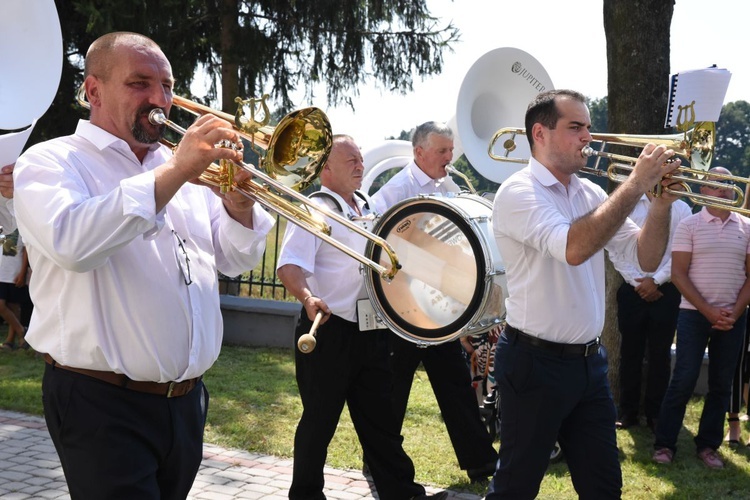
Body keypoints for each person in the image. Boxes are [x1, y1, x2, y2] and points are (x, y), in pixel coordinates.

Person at [13, 32, 274, 499]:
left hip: (186, 403)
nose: (160, 99)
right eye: (140, 83)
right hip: (101, 403)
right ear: (93, 90)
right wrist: (175, 174)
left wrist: (238, 204)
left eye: (168, 86)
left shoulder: (183, 168)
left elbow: (236, 257)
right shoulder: (52, 162)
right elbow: (73, 242)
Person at [488, 89, 681, 499]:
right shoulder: (518, 192)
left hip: (588, 365)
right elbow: (574, 248)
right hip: (533, 363)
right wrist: (634, 185)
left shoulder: (589, 194)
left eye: (588, 128)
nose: (587, 138)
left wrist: (660, 207)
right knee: (515, 488)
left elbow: (644, 258)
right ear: (539, 134)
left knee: (604, 487)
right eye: (575, 127)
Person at [276, 134, 444, 500]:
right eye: (350, 159)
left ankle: (403, 493)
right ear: (326, 168)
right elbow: (288, 265)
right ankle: (304, 495)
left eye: (360, 159)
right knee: (320, 421)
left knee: (381, 421)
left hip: (371, 330)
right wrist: (307, 297)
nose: (360, 165)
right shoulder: (314, 208)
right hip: (328, 329)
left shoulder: (365, 205)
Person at [371, 121, 499, 483]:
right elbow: (376, 243)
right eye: (443, 151)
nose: (449, 157)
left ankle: (480, 462)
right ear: (419, 152)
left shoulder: (449, 186)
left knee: (455, 384)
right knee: (394, 389)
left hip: (438, 307)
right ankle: (379, 458)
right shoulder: (396, 190)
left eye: (450, 150)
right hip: (405, 308)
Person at [652, 167, 750, 469]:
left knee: (721, 384)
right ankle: (665, 444)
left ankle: (708, 446)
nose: (720, 189)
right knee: (683, 379)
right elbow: (679, 275)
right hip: (694, 316)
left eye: (725, 184)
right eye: (712, 184)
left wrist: (734, 312)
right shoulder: (689, 225)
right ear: (701, 189)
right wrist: (708, 311)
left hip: (733, 317)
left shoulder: (747, 226)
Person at [609, 193, 692, 432]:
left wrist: (655, 280)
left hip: (667, 290)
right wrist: (639, 283)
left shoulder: (682, 208)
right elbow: (614, 249)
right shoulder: (627, 205)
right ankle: (628, 412)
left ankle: (655, 413)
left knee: (661, 354)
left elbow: (680, 252)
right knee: (629, 352)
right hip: (632, 289)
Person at [0, 229, 29, 351]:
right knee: (2, 305)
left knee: (13, 306)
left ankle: (10, 341)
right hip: (1, 271)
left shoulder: (17, 222)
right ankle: (21, 331)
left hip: (13, 272)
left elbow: (25, 249)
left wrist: (23, 272)